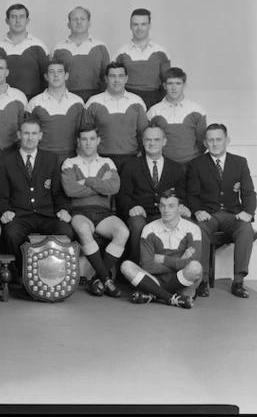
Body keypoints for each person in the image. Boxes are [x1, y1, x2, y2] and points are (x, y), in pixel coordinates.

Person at [0, 117, 74, 279]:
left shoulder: (51, 159)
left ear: (40, 135)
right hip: (19, 215)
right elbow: (1, 195)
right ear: (19, 135)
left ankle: (52, 276)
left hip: (47, 215)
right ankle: (24, 276)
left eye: (34, 133)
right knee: (11, 234)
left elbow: (58, 193)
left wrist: (64, 210)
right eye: (26, 133)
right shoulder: (6, 161)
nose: (30, 138)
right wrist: (5, 211)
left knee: (65, 230)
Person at [186, 123, 257, 299]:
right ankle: (201, 281)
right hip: (209, 214)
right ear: (205, 142)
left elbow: (248, 192)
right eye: (210, 140)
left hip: (233, 214)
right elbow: (192, 194)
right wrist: (197, 211)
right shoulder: (196, 164)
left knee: (246, 229)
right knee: (200, 228)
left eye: (219, 139)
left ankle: (238, 281)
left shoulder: (240, 162)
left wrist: (248, 212)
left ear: (227, 140)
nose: (215, 143)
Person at [61, 124, 127, 298]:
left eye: (92, 139)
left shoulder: (107, 162)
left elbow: (114, 187)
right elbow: (70, 190)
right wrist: (99, 183)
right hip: (79, 212)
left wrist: (86, 181)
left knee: (123, 232)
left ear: (98, 140)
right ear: (78, 141)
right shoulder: (70, 163)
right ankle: (106, 279)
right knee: (83, 230)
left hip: (103, 213)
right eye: (84, 139)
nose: (88, 143)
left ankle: (98, 279)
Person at [117, 122, 191, 269]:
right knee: (137, 225)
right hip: (141, 213)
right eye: (148, 139)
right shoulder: (130, 166)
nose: (152, 143)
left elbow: (182, 195)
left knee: (179, 223)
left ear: (164, 142)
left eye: (156, 139)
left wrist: (181, 206)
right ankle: (136, 271)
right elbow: (123, 195)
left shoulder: (176, 168)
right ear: (143, 142)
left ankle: (170, 271)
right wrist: (132, 207)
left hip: (165, 213)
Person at [120, 189, 202, 309]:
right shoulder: (149, 229)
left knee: (196, 267)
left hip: (181, 281)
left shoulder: (193, 229)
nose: (166, 210)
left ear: (180, 208)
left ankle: (154, 295)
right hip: (155, 280)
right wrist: (180, 260)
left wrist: (163, 259)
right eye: (163, 206)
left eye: (171, 206)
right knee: (126, 266)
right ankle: (171, 299)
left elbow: (192, 262)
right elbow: (147, 266)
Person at [83, 62, 148, 173]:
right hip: (100, 159)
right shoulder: (93, 102)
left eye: (120, 76)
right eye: (112, 76)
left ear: (126, 78)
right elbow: (85, 135)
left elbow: (144, 134)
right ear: (106, 79)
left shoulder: (137, 102)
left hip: (131, 158)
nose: (117, 80)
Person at [26, 58, 85, 165]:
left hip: (72, 158)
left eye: (60, 72)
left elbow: (82, 133)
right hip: (43, 158)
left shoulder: (78, 102)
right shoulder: (34, 103)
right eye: (51, 72)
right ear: (46, 77)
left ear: (66, 75)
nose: (56, 75)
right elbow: (29, 135)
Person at [147, 67, 207, 169]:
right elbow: (148, 140)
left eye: (178, 83)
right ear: (165, 86)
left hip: (191, 165)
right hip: (163, 166)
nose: (174, 87)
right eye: (170, 84)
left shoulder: (197, 110)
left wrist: (193, 157)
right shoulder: (153, 111)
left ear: (184, 85)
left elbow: (202, 141)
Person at [111, 8, 171, 109]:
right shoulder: (120, 53)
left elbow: (167, 82)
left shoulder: (161, 52)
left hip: (155, 100)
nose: (139, 28)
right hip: (127, 100)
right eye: (135, 24)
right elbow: (113, 81)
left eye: (143, 24)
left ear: (149, 25)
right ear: (130, 26)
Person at [0, 3, 49, 100]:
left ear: (27, 21)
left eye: (21, 17)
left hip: (32, 100)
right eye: (13, 17)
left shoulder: (39, 46)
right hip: (3, 100)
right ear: (7, 21)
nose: (18, 21)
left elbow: (47, 78)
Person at [52, 6, 111, 104]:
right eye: (75, 19)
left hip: (96, 100)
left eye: (82, 19)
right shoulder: (58, 48)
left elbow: (107, 77)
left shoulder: (101, 47)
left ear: (89, 23)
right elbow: (53, 77)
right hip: (66, 100)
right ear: (68, 24)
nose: (78, 22)